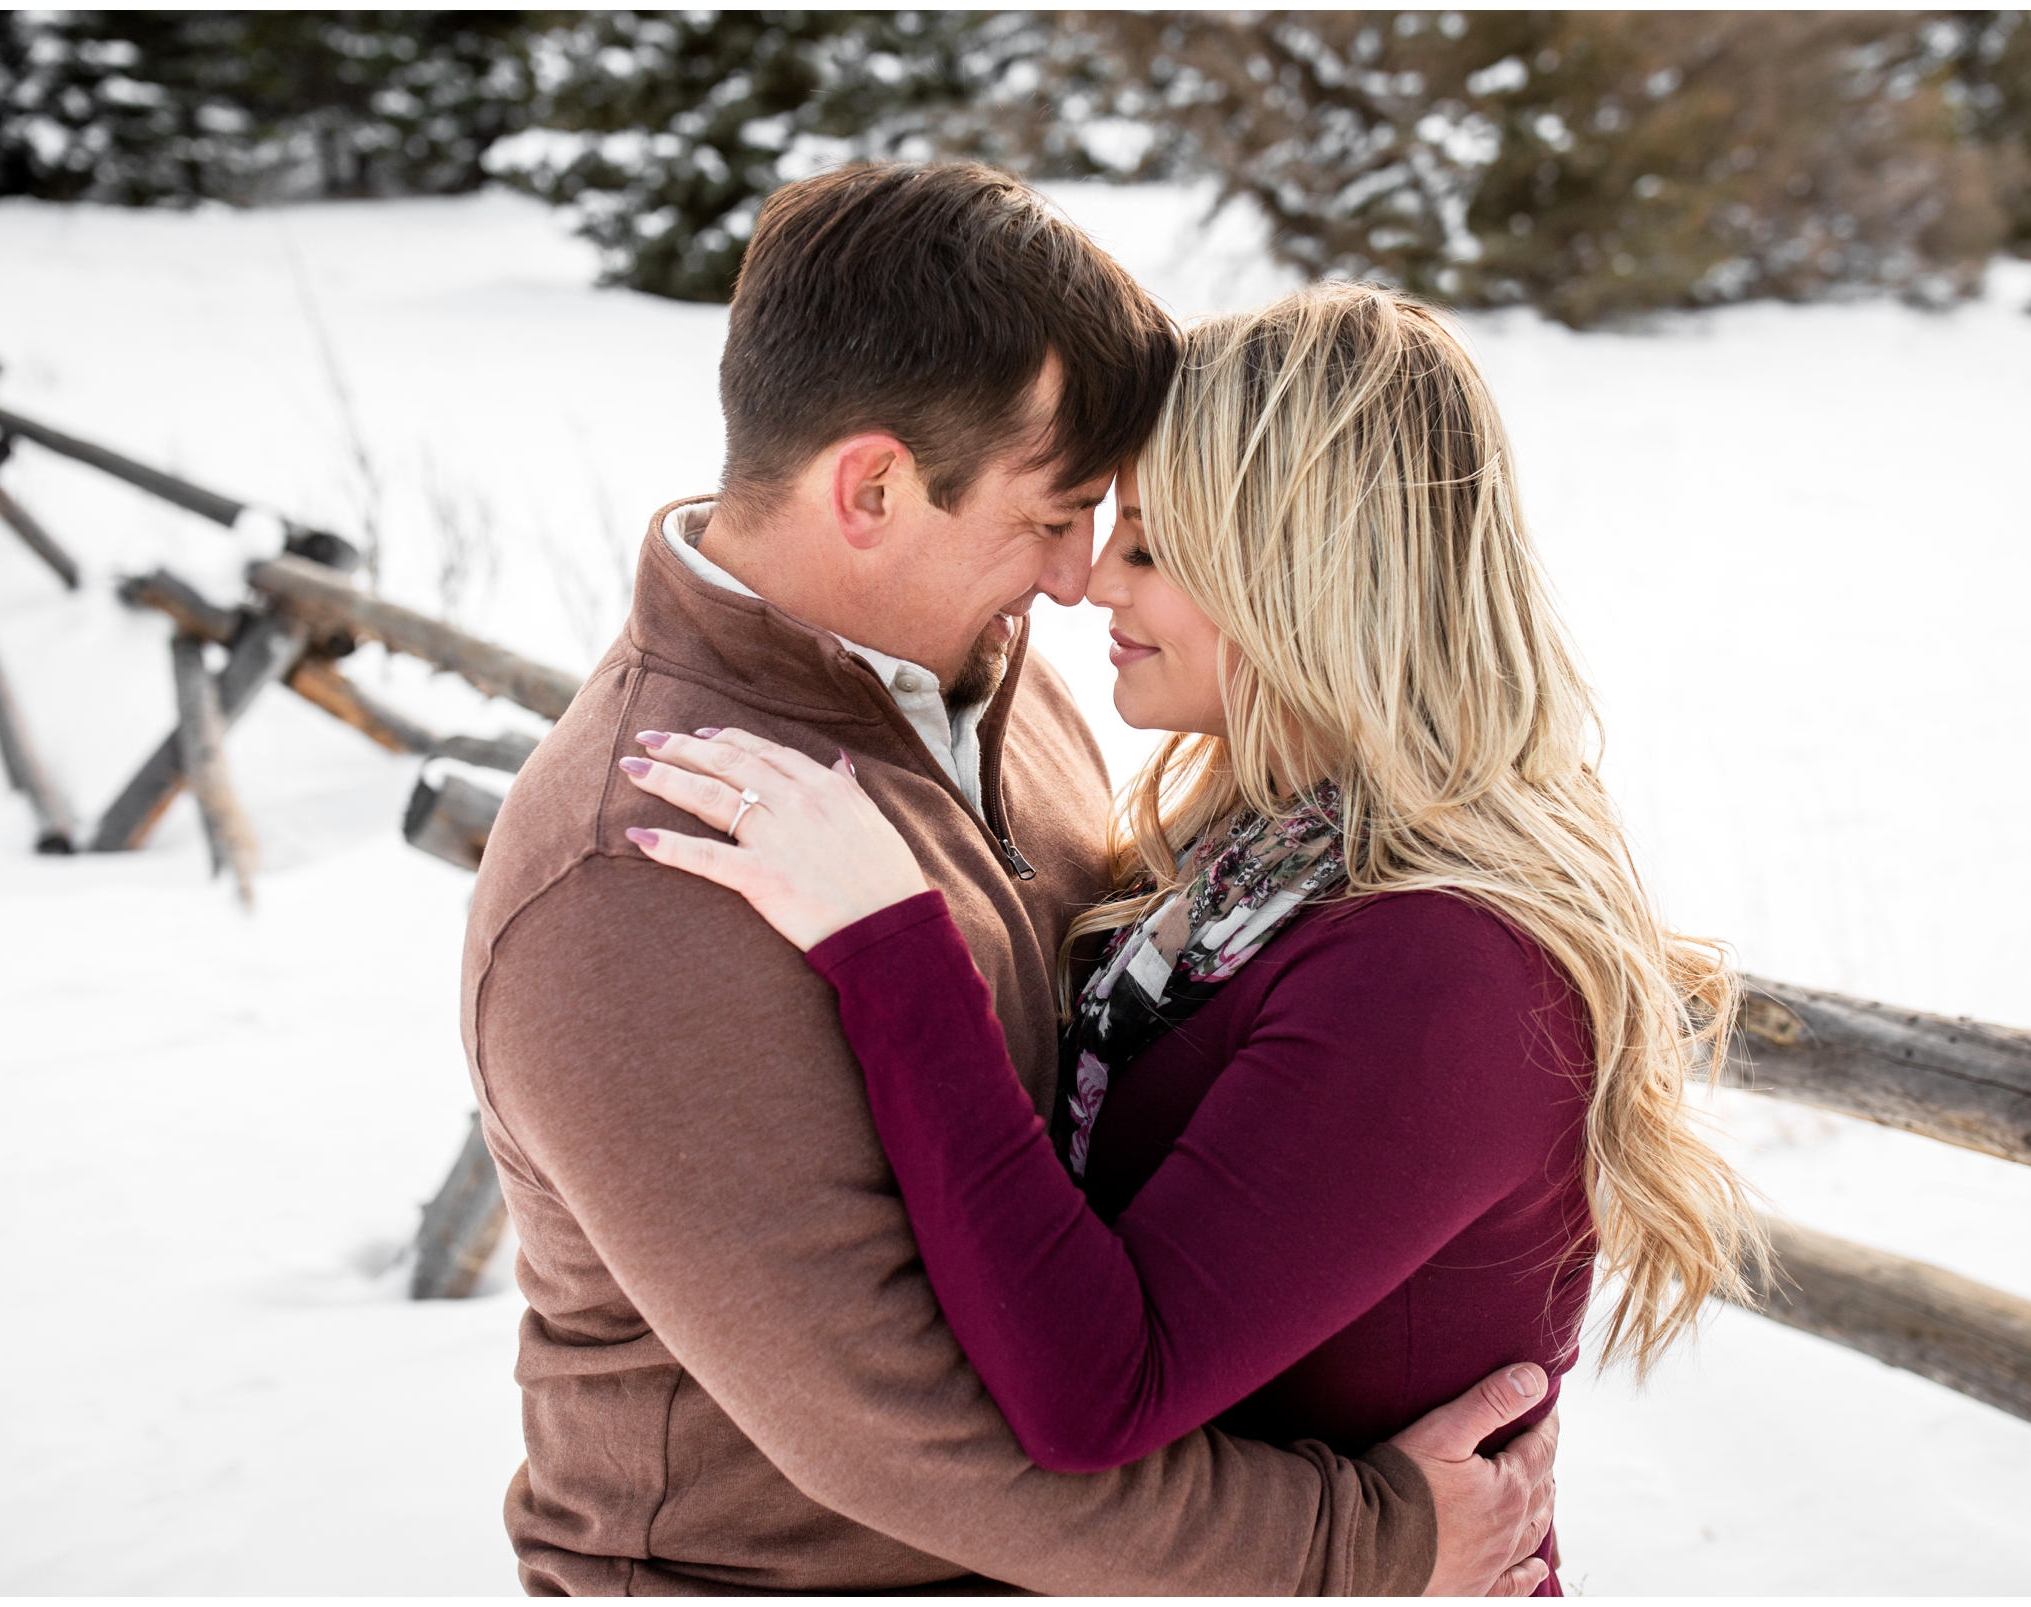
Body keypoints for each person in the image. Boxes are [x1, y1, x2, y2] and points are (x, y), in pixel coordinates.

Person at [464, 164, 1560, 1595]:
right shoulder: (648, 870)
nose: (1074, 581)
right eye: (1058, 516)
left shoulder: (996, 692)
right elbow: (906, 1437)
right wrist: (1367, 1542)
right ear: (872, 488)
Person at [619, 284, 1767, 1596]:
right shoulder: (1264, 863)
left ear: (1306, 575)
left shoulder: (1441, 966)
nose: (1094, 580)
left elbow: (1097, 1394)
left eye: (1153, 548)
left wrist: (892, 947)